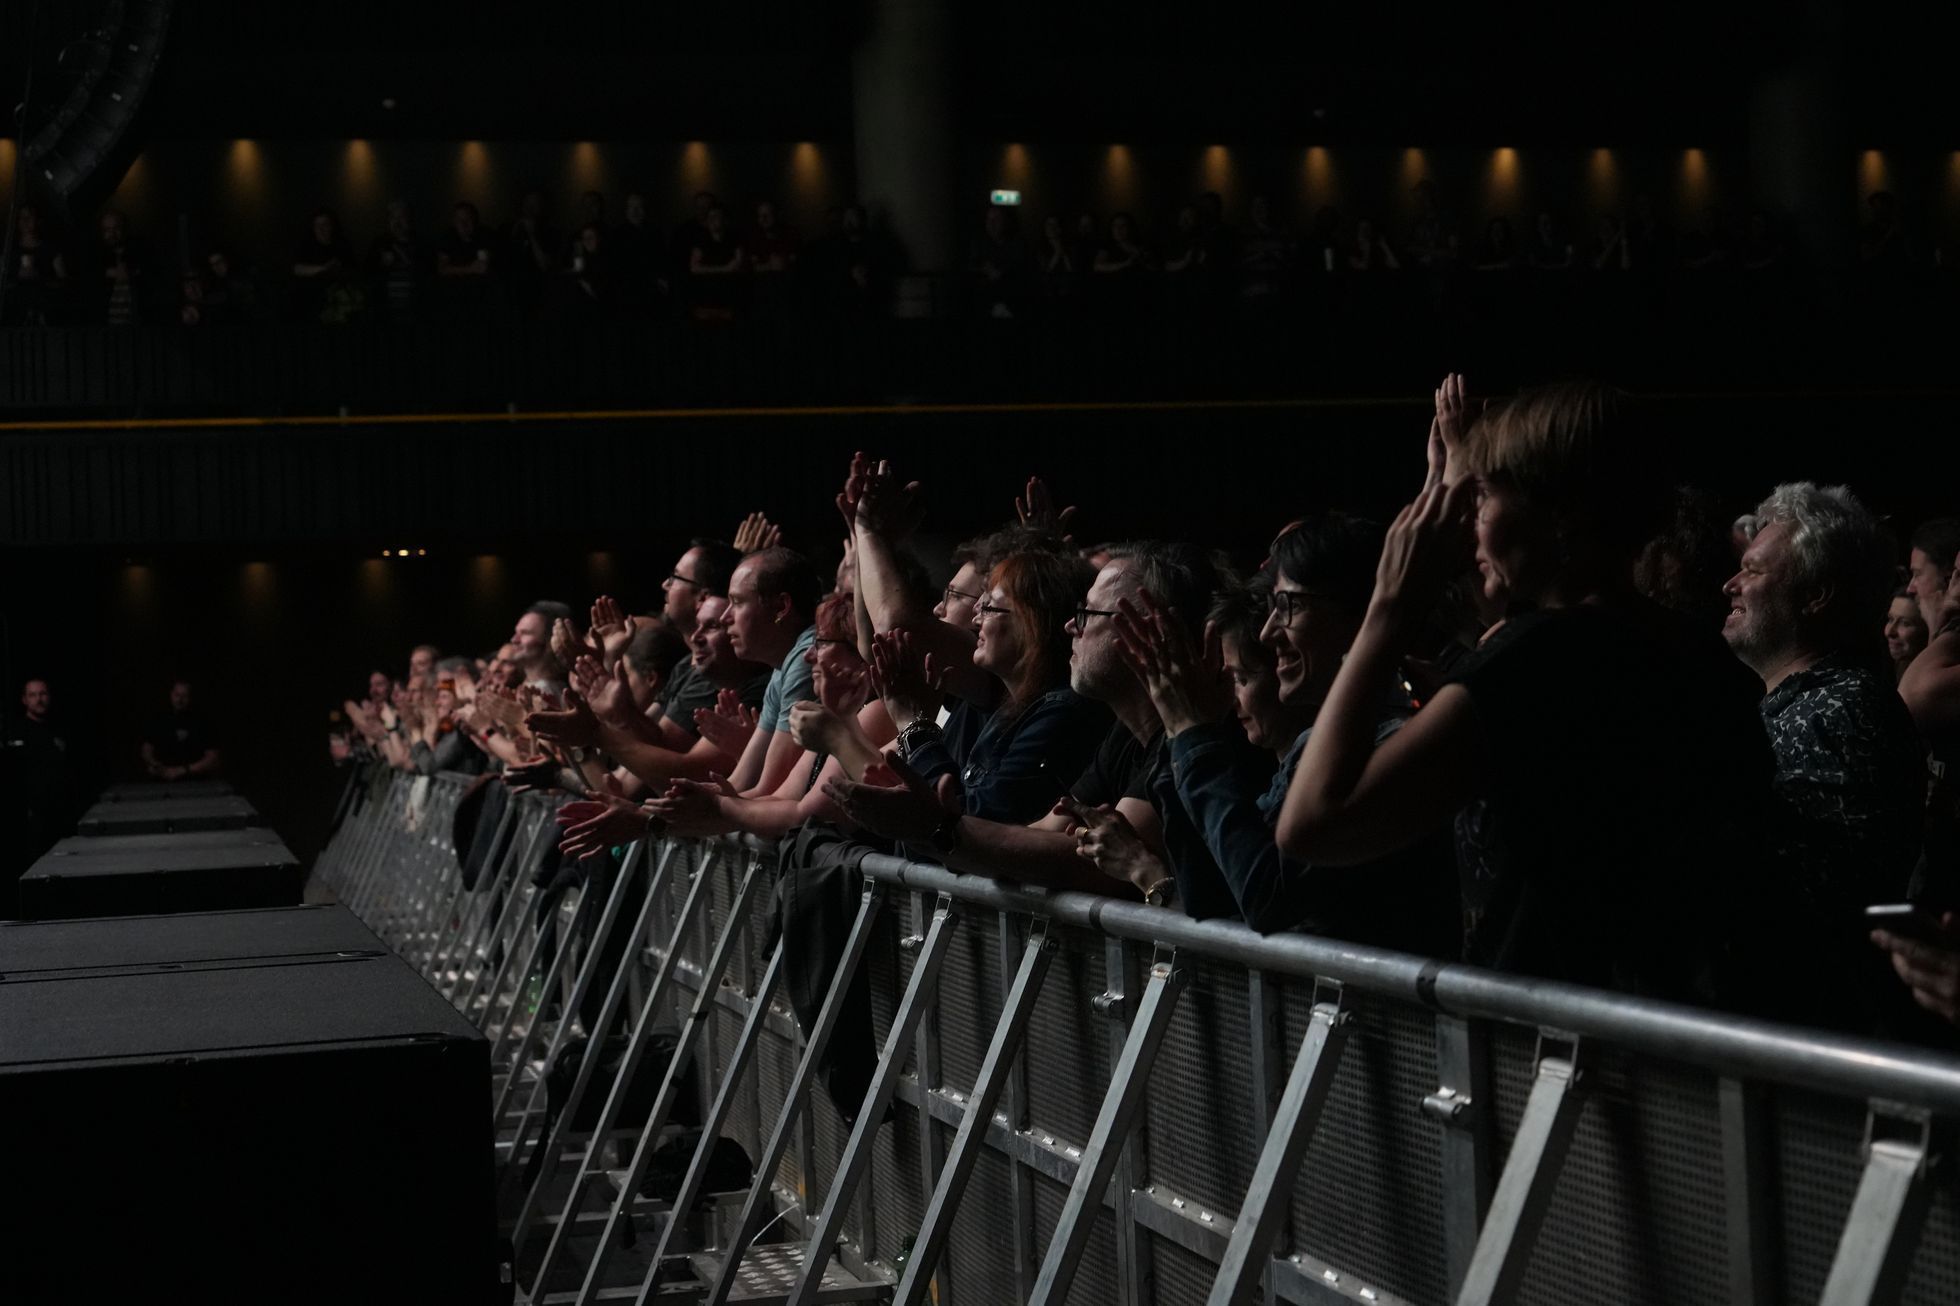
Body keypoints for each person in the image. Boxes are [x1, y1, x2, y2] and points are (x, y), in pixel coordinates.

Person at [1277, 380, 1775, 1007]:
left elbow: (1313, 825)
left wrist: (1390, 606)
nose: (1467, 523)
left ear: (1559, 513)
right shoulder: (1695, 652)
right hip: (1681, 1044)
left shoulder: (1537, 661)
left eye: (1482, 497)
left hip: (1556, 1059)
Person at [1721, 483, 1924, 925]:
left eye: (1752, 571)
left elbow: (1800, 894)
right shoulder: (1811, 700)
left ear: (1816, 594)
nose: (1729, 585)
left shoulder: (1838, 711)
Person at [3, 679, 81, 892]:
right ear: (24, 700)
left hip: (62, 815)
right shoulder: (17, 732)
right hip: (33, 818)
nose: (39, 699)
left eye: (43, 693)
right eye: (33, 695)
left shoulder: (59, 729)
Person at [142, 681, 222, 781]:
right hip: (162, 780)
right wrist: (153, 763)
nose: (180, 700)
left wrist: (181, 771)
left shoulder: (203, 721)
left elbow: (213, 758)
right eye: (177, 695)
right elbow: (147, 748)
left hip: (195, 782)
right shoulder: (159, 718)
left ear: (191, 698)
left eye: (184, 696)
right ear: (171, 695)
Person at [1905, 519, 1960, 633]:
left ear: (1949, 577)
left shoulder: (1954, 635)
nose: (1909, 589)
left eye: (1917, 574)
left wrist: (1935, 628)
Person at [1887, 587, 1930, 681]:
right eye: (1890, 619)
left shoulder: (1933, 680)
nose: (1889, 632)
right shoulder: (1902, 664)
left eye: (1905, 623)